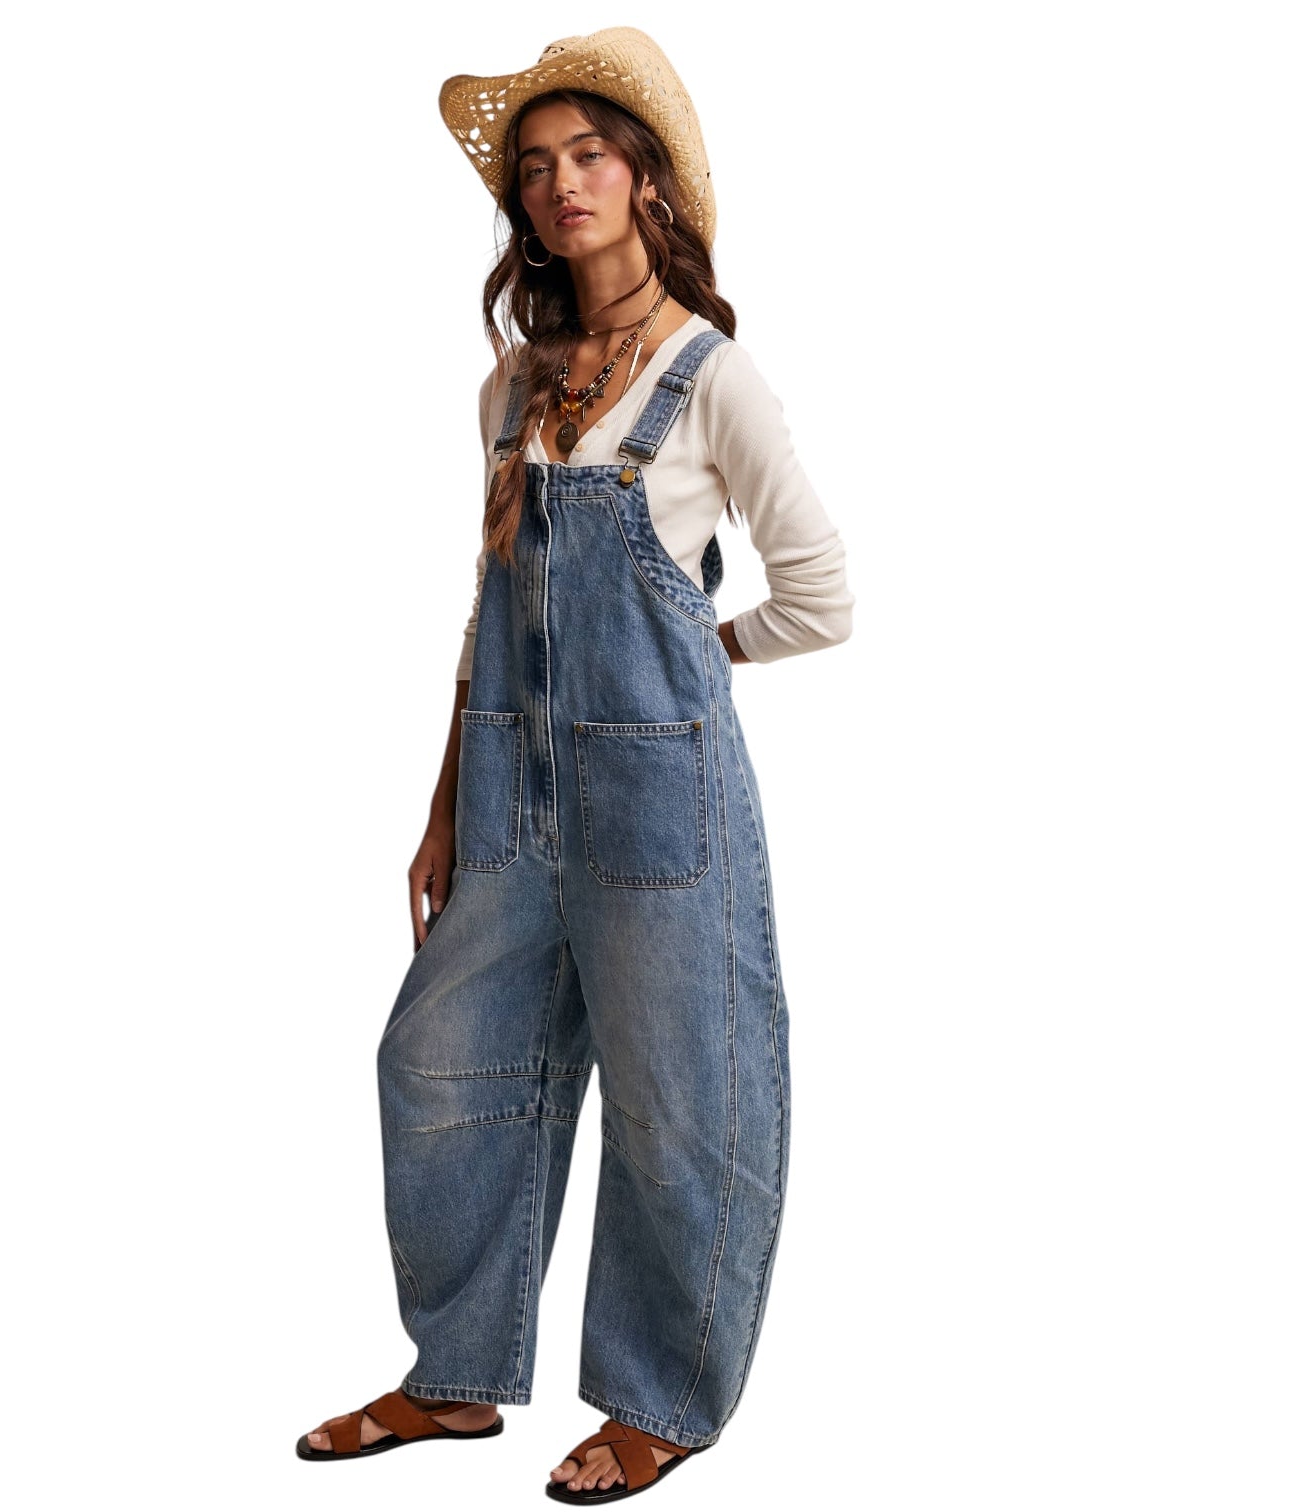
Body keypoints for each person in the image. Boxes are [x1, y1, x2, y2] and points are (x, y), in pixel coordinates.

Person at [298, 27, 855, 1502]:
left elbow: (822, 598)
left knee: (685, 1097)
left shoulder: (712, 377)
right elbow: (491, 607)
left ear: (650, 179)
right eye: (534, 169)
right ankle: (458, 1378)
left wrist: (689, 669)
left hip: (659, 798)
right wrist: (442, 810)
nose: (559, 187)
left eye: (590, 156)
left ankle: (661, 1401)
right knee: (440, 1063)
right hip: (507, 795)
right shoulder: (509, 389)